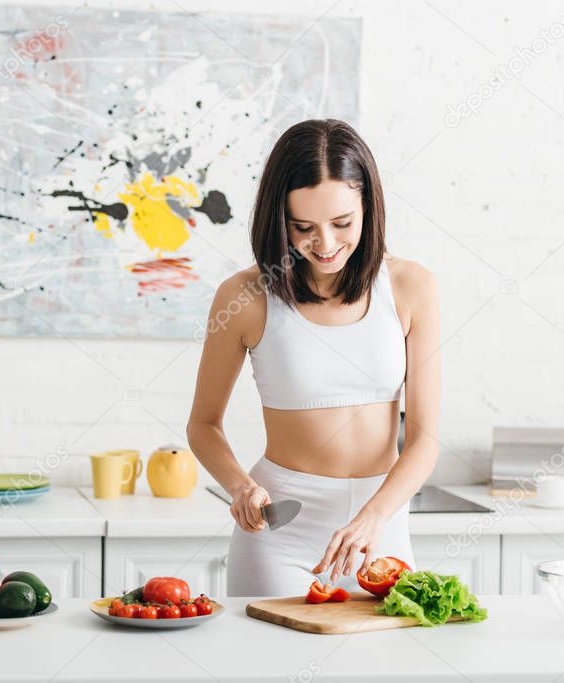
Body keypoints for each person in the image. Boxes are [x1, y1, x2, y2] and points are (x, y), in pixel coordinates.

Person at [186, 119, 441, 597]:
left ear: (370, 206)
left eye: (342, 223)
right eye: (303, 227)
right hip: (279, 537)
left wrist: (373, 519)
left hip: (379, 531)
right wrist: (241, 487)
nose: (324, 244)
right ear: (277, 218)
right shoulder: (244, 297)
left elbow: (425, 441)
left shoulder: (411, 287)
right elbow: (203, 425)